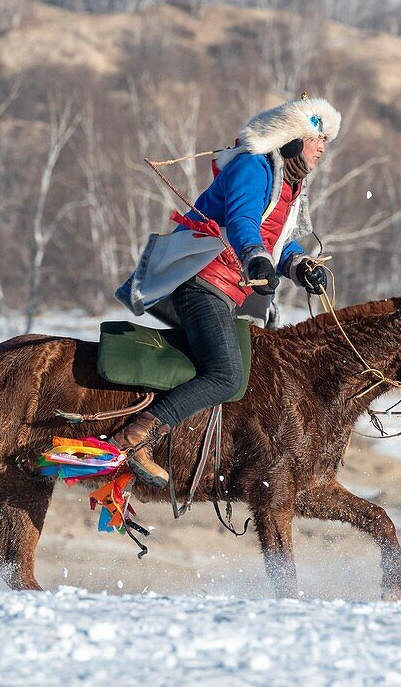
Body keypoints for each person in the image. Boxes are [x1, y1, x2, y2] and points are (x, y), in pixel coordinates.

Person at [113, 95, 341, 487]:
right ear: (290, 139)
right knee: (227, 376)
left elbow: (279, 241)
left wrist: (300, 265)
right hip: (203, 282)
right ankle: (135, 439)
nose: (322, 148)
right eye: (316, 138)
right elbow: (242, 221)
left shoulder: (290, 184)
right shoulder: (253, 167)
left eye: (325, 142)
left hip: (227, 292)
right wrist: (254, 256)